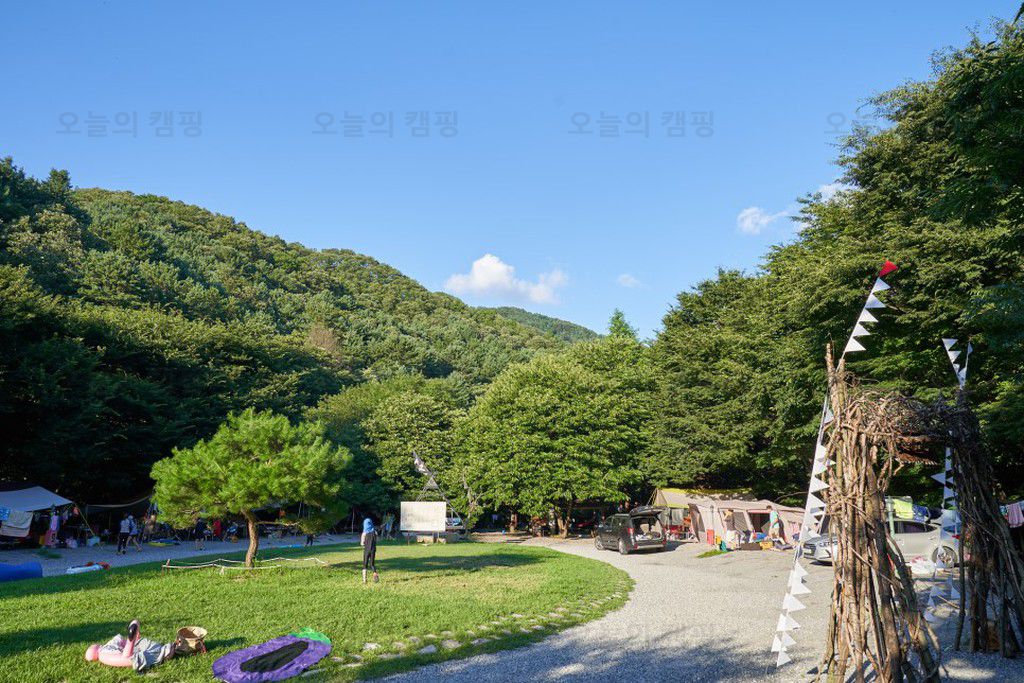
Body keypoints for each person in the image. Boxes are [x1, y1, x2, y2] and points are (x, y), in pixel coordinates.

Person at [360, 515, 379, 584]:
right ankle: (375, 573)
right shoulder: (375, 532)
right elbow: (376, 541)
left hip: (366, 550)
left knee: (365, 564)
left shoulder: (364, 533)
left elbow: (362, 543)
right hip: (373, 550)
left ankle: (364, 580)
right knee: (372, 564)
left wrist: (364, 543)